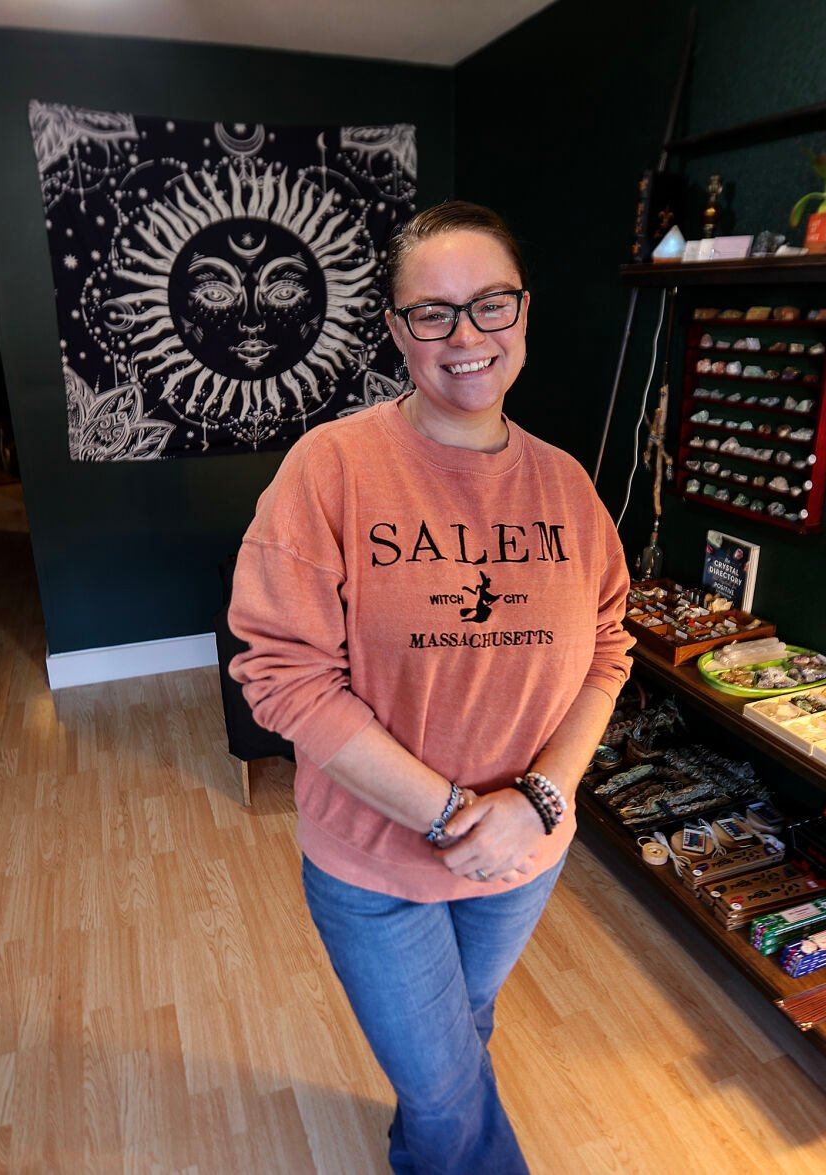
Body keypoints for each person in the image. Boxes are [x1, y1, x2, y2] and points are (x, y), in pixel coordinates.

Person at [228, 200, 633, 1173]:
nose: (465, 337)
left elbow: (606, 650)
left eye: (490, 306)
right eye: (432, 313)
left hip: (522, 856)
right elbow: (281, 676)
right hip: (374, 864)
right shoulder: (330, 470)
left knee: (460, 1031)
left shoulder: (566, 488)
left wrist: (537, 799)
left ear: (523, 315)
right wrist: (455, 810)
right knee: (449, 1092)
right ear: (396, 330)